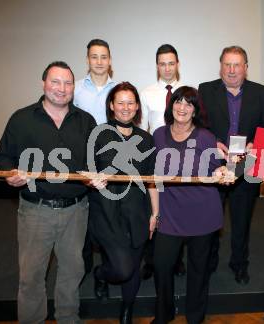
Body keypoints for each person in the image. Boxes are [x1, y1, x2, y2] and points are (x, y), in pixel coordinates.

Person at [0, 61, 96, 324]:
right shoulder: (22, 118)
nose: (62, 89)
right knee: (31, 277)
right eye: (55, 82)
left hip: (76, 211)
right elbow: (2, 156)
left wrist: (95, 175)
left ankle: (68, 318)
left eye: (68, 83)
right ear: (44, 84)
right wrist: (10, 175)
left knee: (72, 272)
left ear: (74, 87)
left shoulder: (86, 121)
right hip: (35, 211)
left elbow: (94, 162)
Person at [151, 86, 232, 324]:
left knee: (198, 271)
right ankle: (164, 313)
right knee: (162, 266)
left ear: (195, 110)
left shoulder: (206, 137)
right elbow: (153, 174)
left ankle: (195, 317)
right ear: (171, 105)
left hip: (201, 213)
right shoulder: (157, 134)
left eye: (189, 104)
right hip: (169, 212)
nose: (182, 108)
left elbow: (216, 169)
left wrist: (223, 172)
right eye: (178, 102)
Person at [198, 46, 264, 284]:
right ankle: (208, 262)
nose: (232, 70)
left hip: (246, 167)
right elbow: (198, 126)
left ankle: (239, 264)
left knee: (242, 222)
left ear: (246, 68)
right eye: (227, 64)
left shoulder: (261, 93)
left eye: (237, 65)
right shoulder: (205, 90)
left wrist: (256, 144)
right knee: (211, 220)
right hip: (215, 164)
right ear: (220, 66)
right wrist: (214, 141)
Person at [88, 82, 158, 324]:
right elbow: (86, 171)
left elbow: (152, 181)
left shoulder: (146, 139)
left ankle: (127, 310)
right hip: (106, 212)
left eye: (131, 102)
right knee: (122, 268)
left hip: (137, 210)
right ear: (111, 105)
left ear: (137, 106)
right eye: (120, 102)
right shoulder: (98, 134)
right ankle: (100, 273)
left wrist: (155, 214)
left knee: (134, 265)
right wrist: (92, 181)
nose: (126, 108)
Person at [74, 38, 117, 300]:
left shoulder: (120, 90)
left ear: (110, 60)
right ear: (87, 59)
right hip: (83, 162)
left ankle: (106, 270)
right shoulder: (75, 89)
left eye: (104, 57)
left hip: (112, 162)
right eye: (94, 57)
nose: (99, 62)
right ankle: (83, 268)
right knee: (83, 220)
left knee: (109, 219)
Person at [139, 44, 186, 280]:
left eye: (171, 63)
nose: (167, 68)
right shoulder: (147, 93)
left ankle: (176, 259)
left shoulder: (189, 91)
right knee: (154, 210)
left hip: (182, 160)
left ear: (177, 64)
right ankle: (151, 260)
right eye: (162, 63)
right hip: (156, 159)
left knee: (178, 209)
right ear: (157, 66)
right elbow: (143, 129)